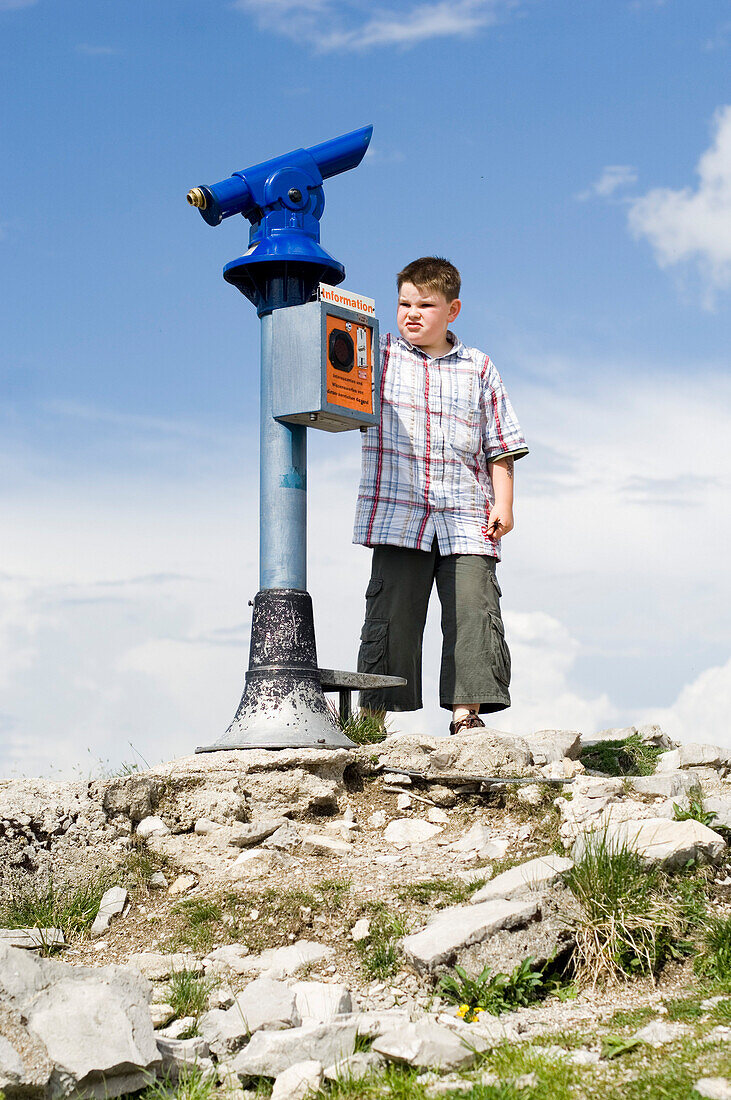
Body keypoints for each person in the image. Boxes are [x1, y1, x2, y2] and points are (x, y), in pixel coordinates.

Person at [353, 256, 528, 735]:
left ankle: (465, 716)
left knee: (474, 609)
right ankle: (372, 718)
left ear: (451, 310)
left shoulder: (479, 367)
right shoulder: (380, 351)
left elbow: (501, 444)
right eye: (404, 303)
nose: (412, 313)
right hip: (398, 510)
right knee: (392, 613)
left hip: (468, 513)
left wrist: (505, 503)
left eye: (425, 305)